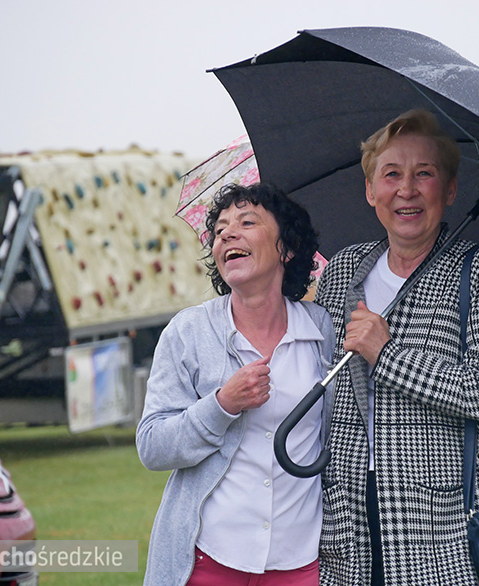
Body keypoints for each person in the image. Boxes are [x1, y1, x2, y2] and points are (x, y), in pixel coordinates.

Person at [314, 109, 479, 585]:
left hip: (436, 530)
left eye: (424, 174)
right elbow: (315, 378)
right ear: (371, 191)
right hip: (344, 526)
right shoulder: (343, 270)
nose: (406, 189)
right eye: (391, 174)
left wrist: (387, 355)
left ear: (449, 191)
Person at [136, 182, 335, 586]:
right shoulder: (187, 332)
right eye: (221, 228)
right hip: (209, 558)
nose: (227, 233)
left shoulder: (323, 331)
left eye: (247, 222)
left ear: (287, 248)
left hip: (302, 562)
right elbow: (152, 445)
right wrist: (222, 404)